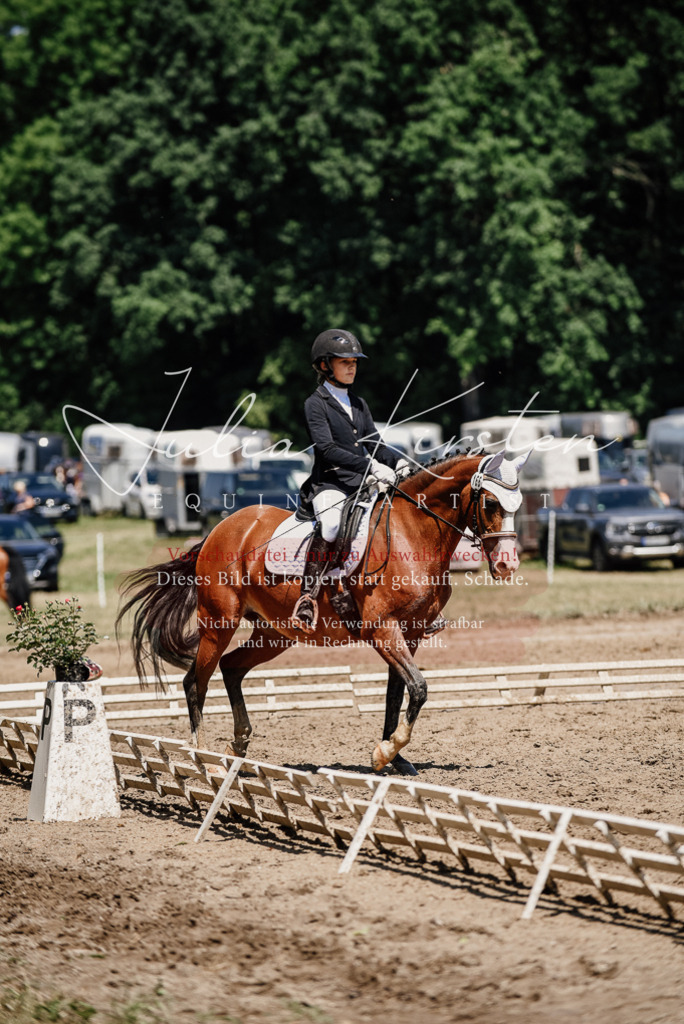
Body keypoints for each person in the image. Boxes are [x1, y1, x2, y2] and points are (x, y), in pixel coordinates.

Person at [291, 329, 406, 631]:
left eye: (354, 361)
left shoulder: (358, 403)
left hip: (362, 484)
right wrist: (370, 467)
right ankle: (307, 596)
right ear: (325, 365)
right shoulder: (314, 404)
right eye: (345, 362)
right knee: (330, 525)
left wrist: (399, 461)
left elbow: (375, 443)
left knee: (393, 520)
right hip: (330, 484)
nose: (352, 366)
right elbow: (327, 450)